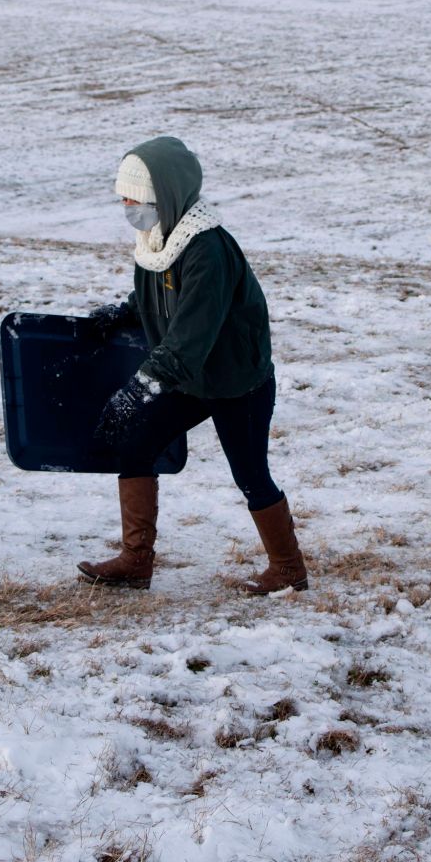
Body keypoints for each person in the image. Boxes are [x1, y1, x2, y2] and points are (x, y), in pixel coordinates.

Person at [75, 136, 306, 595]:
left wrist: (138, 391)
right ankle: (136, 560)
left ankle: (288, 568)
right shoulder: (157, 237)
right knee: (135, 443)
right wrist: (123, 314)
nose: (127, 207)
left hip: (237, 380)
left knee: (250, 474)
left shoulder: (208, 250)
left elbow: (189, 335)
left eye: (135, 199)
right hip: (190, 376)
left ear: (167, 194)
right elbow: (157, 297)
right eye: (124, 197)